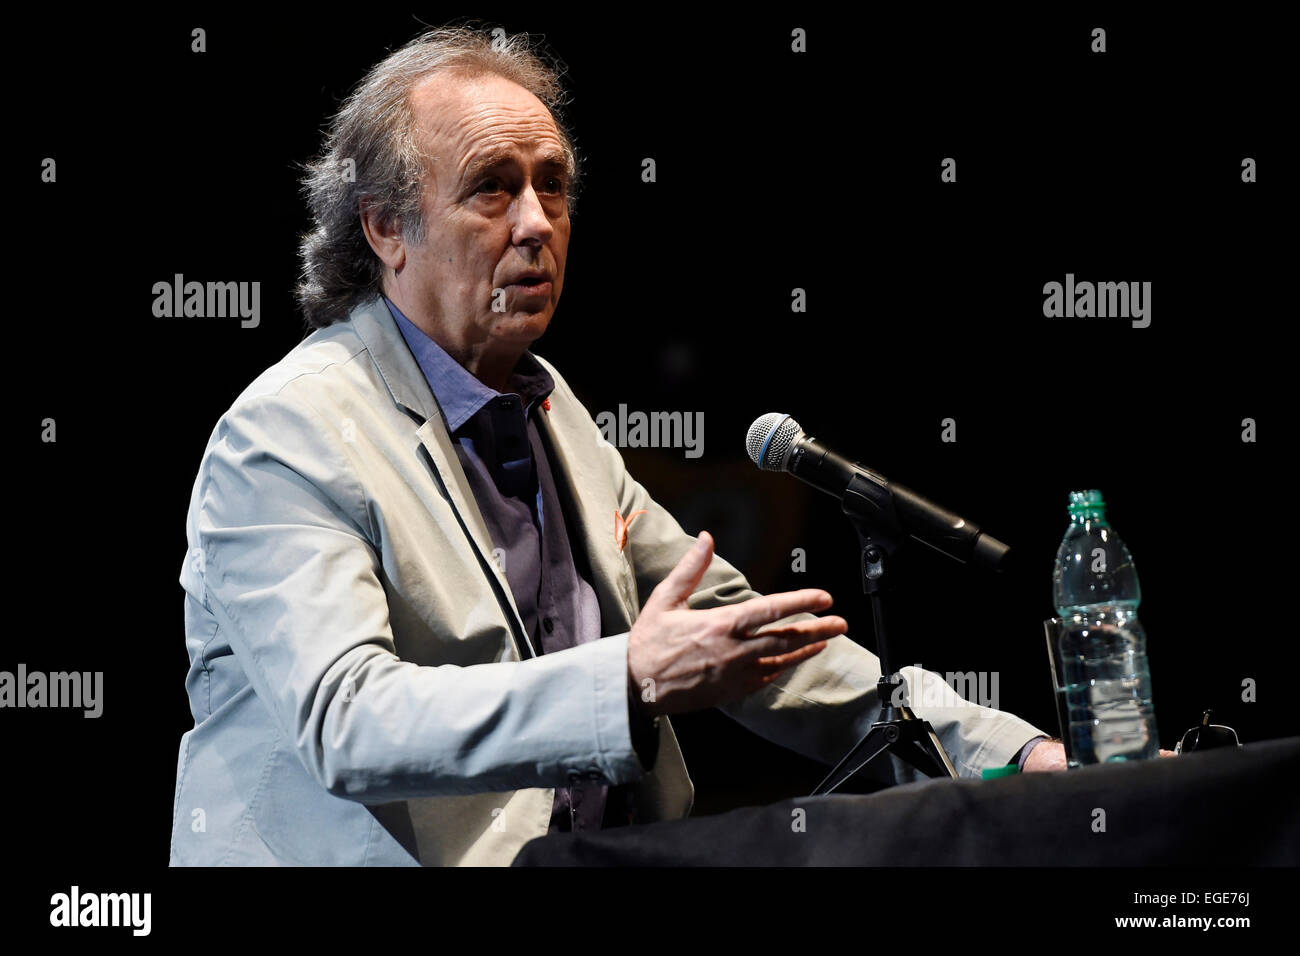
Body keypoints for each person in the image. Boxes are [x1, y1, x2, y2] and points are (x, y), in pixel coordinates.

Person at [169, 27, 1061, 867]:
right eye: (492, 186)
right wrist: (626, 680)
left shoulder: (547, 406)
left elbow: (752, 642)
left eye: (551, 185)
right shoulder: (290, 432)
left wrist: (1016, 754)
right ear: (385, 228)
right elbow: (349, 719)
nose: (536, 222)